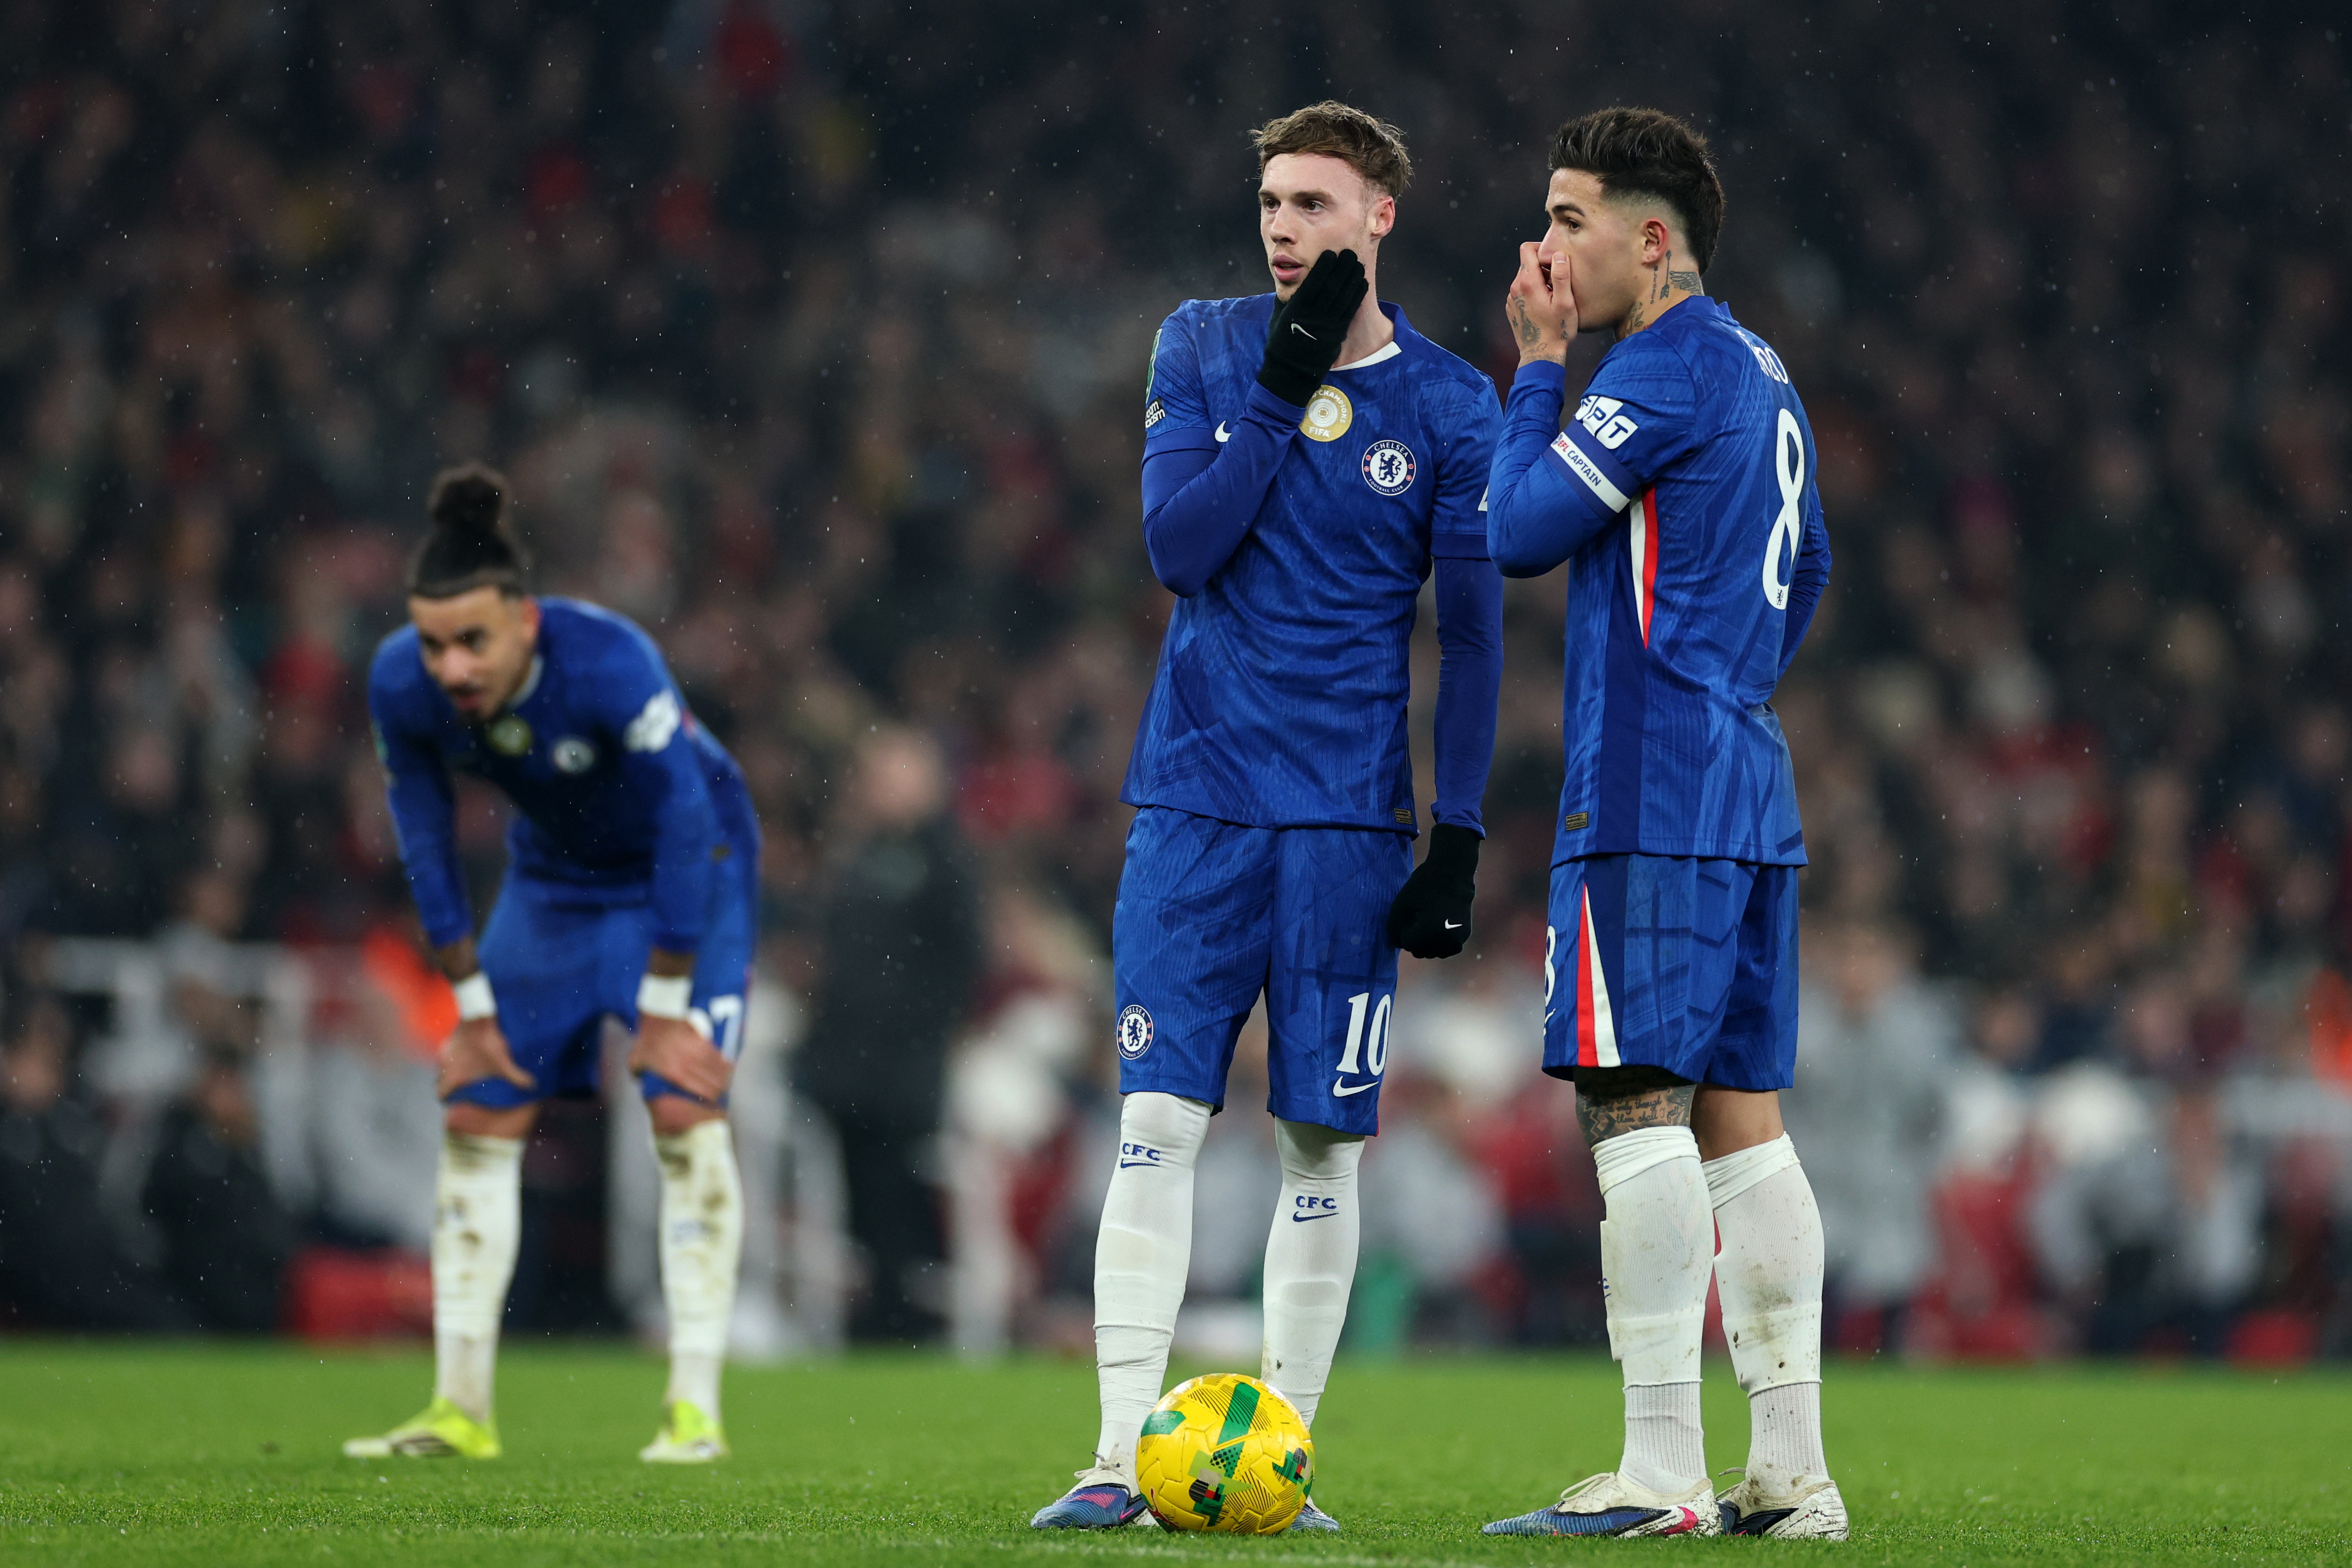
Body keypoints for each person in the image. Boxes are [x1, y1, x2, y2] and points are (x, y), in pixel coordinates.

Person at [1030, 101, 1504, 1534]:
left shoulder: (1452, 407)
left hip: (1350, 826)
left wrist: (1461, 830)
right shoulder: (1202, 343)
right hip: (1196, 804)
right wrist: (1284, 381)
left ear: (1379, 217)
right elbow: (1180, 549)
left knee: (1321, 1145)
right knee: (1156, 1120)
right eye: (1271, 204)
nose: (1283, 228)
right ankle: (1116, 1453)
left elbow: (1471, 641)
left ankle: (1286, 1464)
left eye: (1312, 203)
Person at [1477, 108, 1840, 1540]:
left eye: (1566, 220)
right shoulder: (1765, 370)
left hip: (1646, 785)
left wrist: (1537, 374)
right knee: (1742, 1124)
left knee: (1629, 1100)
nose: (1542, 250)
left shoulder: (1664, 368)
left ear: (1648, 236)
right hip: (1747, 779)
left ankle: (1659, 1469)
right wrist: (1726, 678)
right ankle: (1791, 1473)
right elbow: (1806, 568)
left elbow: (1515, 530)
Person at [343, 465, 761, 1464]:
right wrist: (471, 1004)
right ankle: (458, 1409)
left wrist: (665, 1005)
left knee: (679, 1103)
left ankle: (692, 1411)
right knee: (480, 1104)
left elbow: (685, 818)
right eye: (435, 641)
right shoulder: (400, 681)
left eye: (472, 640)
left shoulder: (611, 661)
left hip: (689, 870)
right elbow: (426, 838)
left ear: (525, 621)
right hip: (551, 888)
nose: (450, 666)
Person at [795, 725, 982, 1343]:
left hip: (903, 1066)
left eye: (894, 775)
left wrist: (927, 1028)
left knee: (901, 1199)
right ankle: (872, 1312)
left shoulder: (945, 858)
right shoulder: (860, 853)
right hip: (845, 1062)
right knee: (854, 1202)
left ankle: (902, 1318)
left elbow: (964, 958)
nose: (880, 788)